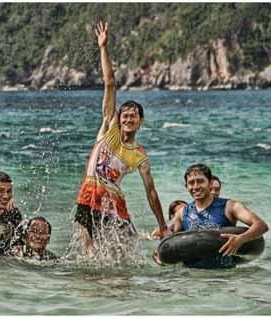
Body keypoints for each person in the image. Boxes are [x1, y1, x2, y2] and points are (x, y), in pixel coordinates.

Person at [74, 21, 169, 251]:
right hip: (89, 196)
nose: (128, 119)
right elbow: (110, 83)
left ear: (140, 122)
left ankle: (156, 235)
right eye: (124, 115)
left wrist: (163, 224)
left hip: (114, 203)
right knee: (90, 254)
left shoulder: (139, 156)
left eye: (133, 116)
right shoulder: (109, 129)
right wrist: (103, 48)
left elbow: (151, 192)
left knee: (127, 249)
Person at [159, 163, 268, 268]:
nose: (196, 187)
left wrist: (240, 239)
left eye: (200, 181)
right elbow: (171, 241)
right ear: (186, 186)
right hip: (191, 279)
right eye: (191, 183)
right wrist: (159, 254)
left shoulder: (230, 206)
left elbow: (261, 226)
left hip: (223, 276)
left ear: (210, 183)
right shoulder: (182, 213)